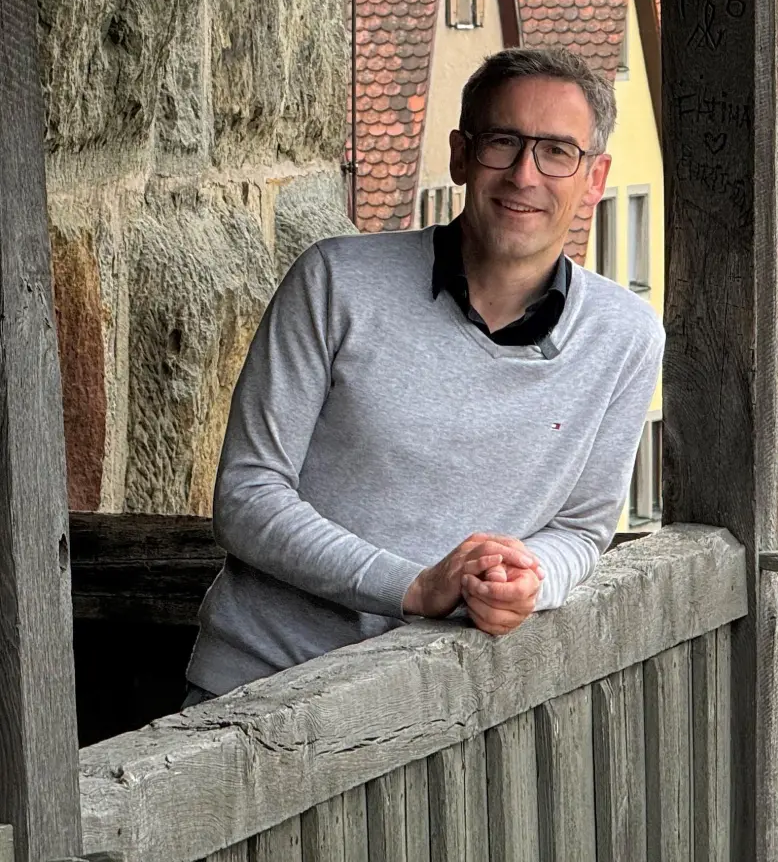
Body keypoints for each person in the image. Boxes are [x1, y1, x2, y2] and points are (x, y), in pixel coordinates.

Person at [181, 48, 665, 707]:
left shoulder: (626, 336)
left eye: (557, 151)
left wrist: (530, 579)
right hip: (260, 691)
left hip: (437, 706)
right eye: (503, 143)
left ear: (595, 175)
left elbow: (581, 530)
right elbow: (247, 496)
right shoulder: (335, 282)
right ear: (461, 156)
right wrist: (412, 587)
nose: (526, 174)